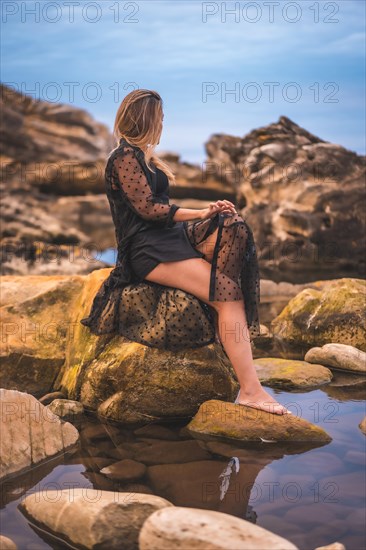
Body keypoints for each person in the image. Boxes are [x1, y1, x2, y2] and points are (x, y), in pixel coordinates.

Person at [81, 89, 292, 415]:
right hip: (146, 251)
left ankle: (222, 319)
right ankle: (251, 391)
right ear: (147, 119)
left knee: (232, 225)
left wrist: (213, 213)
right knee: (228, 294)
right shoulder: (122, 158)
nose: (164, 124)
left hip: (169, 239)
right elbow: (149, 210)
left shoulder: (144, 158)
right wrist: (200, 212)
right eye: (160, 118)